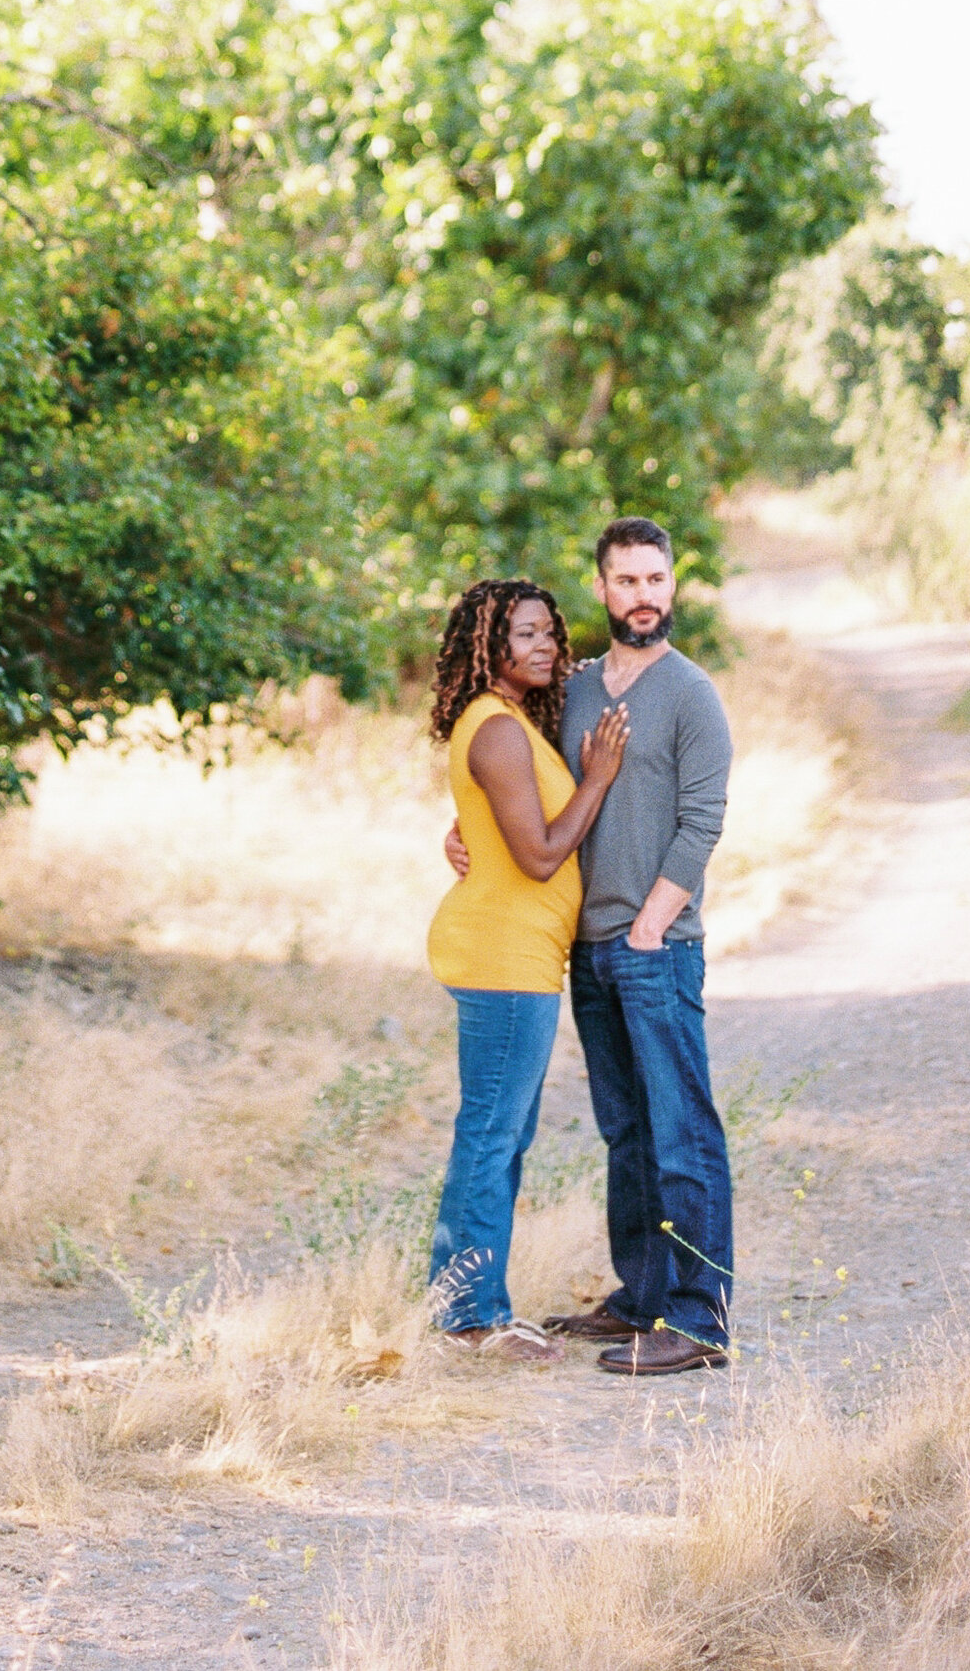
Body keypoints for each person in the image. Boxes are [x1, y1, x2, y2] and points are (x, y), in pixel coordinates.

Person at [444, 516, 736, 1376]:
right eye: (627, 581)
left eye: (657, 580)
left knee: (683, 1132)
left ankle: (699, 1318)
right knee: (627, 1131)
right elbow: (511, 777)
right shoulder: (569, 691)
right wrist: (458, 838)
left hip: (655, 945)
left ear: (671, 586)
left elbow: (702, 822)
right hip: (584, 949)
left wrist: (653, 920)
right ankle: (642, 1297)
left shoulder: (691, 694)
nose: (643, 597)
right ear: (602, 590)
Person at [422, 576, 628, 1361]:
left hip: (521, 956)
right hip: (503, 957)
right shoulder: (498, 730)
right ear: (488, 645)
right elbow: (541, 856)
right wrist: (600, 780)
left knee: (498, 1135)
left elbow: (489, 825)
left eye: (549, 632)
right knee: (491, 1136)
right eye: (526, 634)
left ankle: (469, 1306)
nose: (545, 646)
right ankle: (472, 1319)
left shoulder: (506, 724)